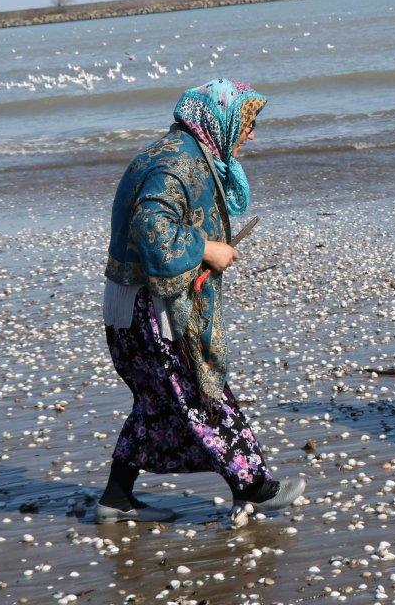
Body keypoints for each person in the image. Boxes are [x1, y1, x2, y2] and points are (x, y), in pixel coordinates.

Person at [96, 78, 306, 523]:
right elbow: (151, 230)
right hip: (152, 311)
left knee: (156, 401)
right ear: (219, 120)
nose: (251, 133)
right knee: (202, 395)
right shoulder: (179, 162)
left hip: (129, 304)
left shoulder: (180, 151)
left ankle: (116, 498)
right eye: (247, 123)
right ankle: (254, 486)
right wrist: (207, 248)